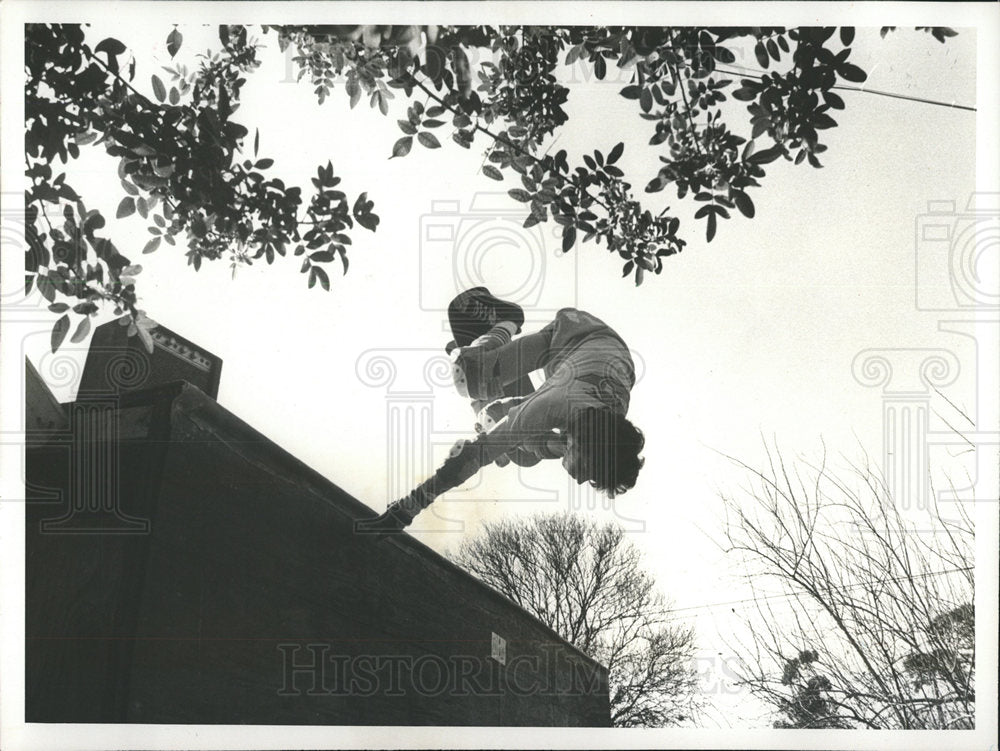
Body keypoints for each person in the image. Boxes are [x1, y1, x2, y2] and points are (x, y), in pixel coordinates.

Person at [355, 288, 645, 535]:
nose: (581, 480)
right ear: (584, 444)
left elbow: (567, 435)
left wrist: (511, 424)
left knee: (523, 454)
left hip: (597, 364)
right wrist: (408, 508)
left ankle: (496, 390)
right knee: (467, 377)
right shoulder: (558, 403)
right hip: (571, 337)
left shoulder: (600, 426)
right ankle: (505, 321)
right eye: (588, 470)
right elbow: (474, 456)